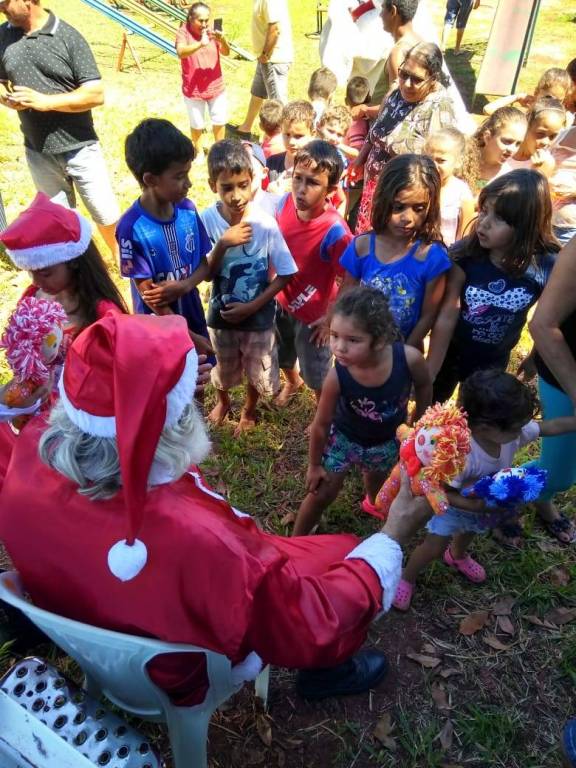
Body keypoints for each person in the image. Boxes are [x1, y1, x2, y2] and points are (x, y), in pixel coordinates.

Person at [0, 311, 431, 705]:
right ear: (166, 428)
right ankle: (327, 673)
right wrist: (391, 535)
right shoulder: (202, 538)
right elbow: (309, 622)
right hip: (179, 671)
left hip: (94, 630)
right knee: (345, 549)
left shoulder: (25, 456)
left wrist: (153, 389)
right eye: (182, 404)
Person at [393, 369, 576, 611]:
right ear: (483, 427)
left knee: (469, 533)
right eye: (517, 427)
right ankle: (407, 576)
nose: (523, 430)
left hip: (484, 505)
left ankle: (457, 555)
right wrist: (474, 505)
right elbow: (442, 492)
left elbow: (549, 427)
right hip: (454, 509)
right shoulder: (463, 456)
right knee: (433, 548)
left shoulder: (511, 432)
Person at [292, 286, 431, 536]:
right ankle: (294, 541)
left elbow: (424, 385)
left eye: (353, 340)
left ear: (380, 340)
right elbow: (321, 424)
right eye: (334, 335)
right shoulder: (337, 377)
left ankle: (372, 502)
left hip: (386, 442)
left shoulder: (409, 360)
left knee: (378, 480)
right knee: (322, 493)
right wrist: (314, 465)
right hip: (343, 440)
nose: (339, 347)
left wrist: (418, 421)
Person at [428, 170, 559, 423]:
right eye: (483, 211)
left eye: (498, 218)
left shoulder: (544, 265)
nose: (483, 223)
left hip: (493, 360)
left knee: (472, 416)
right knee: (430, 409)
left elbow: (550, 318)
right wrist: (431, 367)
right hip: (451, 351)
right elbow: (447, 313)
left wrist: (535, 358)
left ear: (525, 224)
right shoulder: (466, 255)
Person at [0, 0, 120, 257]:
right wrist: (5, 97)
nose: (1, 7)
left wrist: (46, 102)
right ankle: (78, 269)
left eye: (5, 2)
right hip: (37, 150)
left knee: (105, 215)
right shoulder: (3, 36)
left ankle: (124, 265)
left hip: (80, 147)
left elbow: (95, 94)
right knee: (59, 221)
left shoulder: (67, 37)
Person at [201, 140, 296, 433]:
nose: (236, 196)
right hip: (221, 316)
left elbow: (286, 273)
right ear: (212, 185)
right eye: (227, 187)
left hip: (258, 319)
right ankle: (223, 401)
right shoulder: (206, 220)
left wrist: (253, 305)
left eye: (243, 185)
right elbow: (207, 275)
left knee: (257, 366)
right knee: (223, 364)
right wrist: (222, 244)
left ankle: (248, 409)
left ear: (253, 180)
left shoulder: (265, 224)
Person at [116, 118, 213, 357]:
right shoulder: (131, 228)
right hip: (158, 328)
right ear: (150, 179)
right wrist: (189, 337)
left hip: (192, 314)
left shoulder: (188, 210)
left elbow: (204, 265)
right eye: (179, 176)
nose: (188, 183)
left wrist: (185, 286)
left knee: (200, 373)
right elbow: (149, 296)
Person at [340, 154, 451, 349]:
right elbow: (345, 300)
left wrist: (403, 353)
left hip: (402, 353)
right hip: (358, 351)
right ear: (383, 200)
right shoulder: (362, 247)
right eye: (398, 207)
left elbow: (428, 316)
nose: (407, 218)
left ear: (431, 206)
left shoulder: (432, 258)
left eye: (419, 208)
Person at [274, 140, 353, 406]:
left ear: (330, 189)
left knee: (317, 372)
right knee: (283, 354)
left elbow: (350, 278)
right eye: (298, 178)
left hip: (314, 317)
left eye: (313, 183)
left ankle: (323, 410)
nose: (301, 189)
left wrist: (330, 319)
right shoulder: (283, 204)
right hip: (281, 301)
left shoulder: (336, 231)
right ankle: (292, 381)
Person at [350, 42, 457, 234]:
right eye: (404, 74)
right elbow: (376, 131)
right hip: (374, 189)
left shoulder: (440, 109)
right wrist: (360, 160)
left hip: (401, 203)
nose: (407, 83)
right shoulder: (395, 92)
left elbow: (438, 166)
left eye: (416, 79)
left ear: (433, 79)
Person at [0, 193, 127, 334]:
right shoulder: (34, 298)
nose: (35, 282)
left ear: (73, 262)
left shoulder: (103, 314)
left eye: (45, 274)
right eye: (30, 272)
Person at [527, 235, 576, 543]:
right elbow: (542, 325)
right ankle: (488, 497)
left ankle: (540, 499)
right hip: (565, 378)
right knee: (557, 475)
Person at [175, 1, 231, 160]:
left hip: (216, 86)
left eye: (207, 20)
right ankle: (199, 152)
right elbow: (181, 52)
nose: (205, 24)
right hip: (193, 89)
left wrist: (222, 39)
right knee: (197, 123)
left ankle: (220, 152)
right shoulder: (183, 32)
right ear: (191, 19)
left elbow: (226, 52)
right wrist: (200, 44)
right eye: (201, 21)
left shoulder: (212, 30)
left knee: (219, 120)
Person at [232, 0, 293, 138]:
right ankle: (246, 128)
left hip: (274, 58)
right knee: (258, 92)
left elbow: (275, 29)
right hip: (266, 57)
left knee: (278, 104)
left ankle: (284, 140)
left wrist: (265, 53)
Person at [423, 127, 475, 245]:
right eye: (428, 159)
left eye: (441, 160)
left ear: (458, 162)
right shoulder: (419, 185)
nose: (433, 165)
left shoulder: (462, 194)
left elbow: (464, 237)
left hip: (446, 252)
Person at [470, 107, 527, 192]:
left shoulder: (507, 176)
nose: (512, 149)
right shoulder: (462, 158)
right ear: (487, 137)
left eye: (518, 144)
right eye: (507, 141)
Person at [483, 67, 573, 119]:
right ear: (536, 93)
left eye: (558, 101)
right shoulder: (527, 117)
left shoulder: (563, 120)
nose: (552, 104)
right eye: (548, 98)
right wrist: (517, 97)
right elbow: (488, 109)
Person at [506, 99, 566, 177]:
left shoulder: (547, 163)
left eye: (552, 136)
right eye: (540, 133)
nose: (545, 142)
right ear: (527, 124)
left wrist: (539, 171)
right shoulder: (505, 149)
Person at [266, 100, 315, 192]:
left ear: (313, 134)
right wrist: (269, 190)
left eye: (298, 136)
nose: (291, 142)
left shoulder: (318, 168)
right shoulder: (271, 164)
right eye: (287, 134)